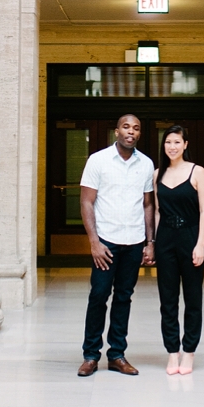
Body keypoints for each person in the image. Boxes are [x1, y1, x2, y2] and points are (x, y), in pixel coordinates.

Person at [77, 114, 155, 376]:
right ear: (117, 131)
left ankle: (117, 355)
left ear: (139, 134)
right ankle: (91, 355)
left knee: (124, 297)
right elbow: (86, 201)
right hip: (106, 242)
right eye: (126, 127)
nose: (131, 131)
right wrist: (94, 242)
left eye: (136, 128)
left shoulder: (146, 164)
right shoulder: (98, 160)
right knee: (99, 296)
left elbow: (147, 204)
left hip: (134, 242)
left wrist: (150, 242)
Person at [153, 124, 204, 375]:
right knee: (167, 300)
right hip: (165, 239)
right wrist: (154, 243)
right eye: (168, 142)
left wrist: (200, 245)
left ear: (185, 145)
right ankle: (172, 353)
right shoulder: (157, 174)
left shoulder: (197, 172)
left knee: (192, 299)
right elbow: (157, 211)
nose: (172, 146)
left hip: (190, 237)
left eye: (177, 142)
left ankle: (189, 352)